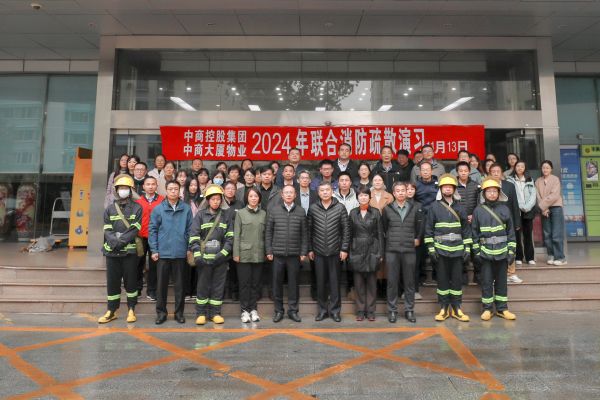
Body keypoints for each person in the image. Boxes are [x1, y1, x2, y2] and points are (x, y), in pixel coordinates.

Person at [424, 174, 471, 323]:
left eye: (450, 187)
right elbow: (428, 229)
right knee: (442, 281)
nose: (448, 189)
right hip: (440, 250)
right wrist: (431, 249)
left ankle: (456, 308)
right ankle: (444, 308)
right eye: (445, 187)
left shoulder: (460, 207)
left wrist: (467, 248)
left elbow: (466, 230)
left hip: (457, 250)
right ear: (441, 189)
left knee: (457, 280)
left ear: (454, 189)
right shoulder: (434, 207)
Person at [98, 174, 143, 324]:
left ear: (131, 190)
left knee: (131, 282)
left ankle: (131, 309)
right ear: (116, 190)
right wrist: (114, 242)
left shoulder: (137, 208)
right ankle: (111, 310)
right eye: (121, 188)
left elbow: (134, 229)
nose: (123, 190)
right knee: (112, 282)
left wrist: (120, 242)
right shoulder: (110, 209)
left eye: (126, 188)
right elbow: (107, 229)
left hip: (129, 252)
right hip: (112, 252)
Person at [472, 177, 517, 321]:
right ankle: (487, 309)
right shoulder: (478, 210)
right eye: (489, 191)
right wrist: (476, 252)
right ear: (484, 193)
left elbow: (511, 232)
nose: (492, 194)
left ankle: (502, 309)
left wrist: (511, 251)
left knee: (502, 283)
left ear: (499, 193)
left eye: (494, 191)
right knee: (486, 282)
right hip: (485, 254)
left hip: (502, 253)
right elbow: (474, 233)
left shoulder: (505, 209)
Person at [149, 180, 193, 325]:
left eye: (176, 189)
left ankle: (179, 313)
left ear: (180, 191)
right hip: (163, 253)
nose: (173, 191)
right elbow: (152, 230)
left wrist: (188, 248)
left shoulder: (186, 209)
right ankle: (161, 313)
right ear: (166, 191)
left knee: (180, 286)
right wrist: (154, 249)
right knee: (161, 286)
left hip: (180, 252)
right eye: (170, 189)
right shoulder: (158, 209)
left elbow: (190, 230)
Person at [190, 184, 234, 325]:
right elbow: (194, 236)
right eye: (213, 199)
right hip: (203, 260)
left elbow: (230, 238)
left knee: (218, 287)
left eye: (218, 199)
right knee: (202, 287)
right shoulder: (200, 215)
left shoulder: (226, 216)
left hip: (220, 260)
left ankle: (215, 313)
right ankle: (201, 313)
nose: (216, 202)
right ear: (208, 200)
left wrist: (222, 254)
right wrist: (197, 255)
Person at [308, 182, 351, 322]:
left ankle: (335, 311)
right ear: (318, 193)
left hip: (335, 251)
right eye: (322, 190)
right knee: (320, 283)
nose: (325, 192)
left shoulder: (340, 207)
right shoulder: (313, 208)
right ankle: (322, 311)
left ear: (332, 191)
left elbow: (346, 230)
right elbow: (309, 230)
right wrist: (310, 248)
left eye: (327, 190)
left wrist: (344, 248)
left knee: (334, 283)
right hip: (318, 252)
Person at [382, 182, 424, 323]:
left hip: (409, 250)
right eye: (398, 191)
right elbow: (384, 228)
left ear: (407, 192)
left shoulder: (415, 208)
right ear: (393, 193)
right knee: (392, 282)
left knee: (409, 282)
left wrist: (417, 238)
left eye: (403, 190)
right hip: (392, 250)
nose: (400, 193)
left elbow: (420, 225)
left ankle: (409, 310)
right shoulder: (387, 209)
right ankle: (392, 311)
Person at [266, 185, 308, 323]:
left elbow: (304, 233)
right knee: (276, 284)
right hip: (277, 254)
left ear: (295, 195)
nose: (289, 195)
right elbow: (268, 232)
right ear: (282, 195)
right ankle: (278, 311)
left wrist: (303, 251)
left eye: (291, 192)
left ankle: (293, 311)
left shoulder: (301, 211)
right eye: (286, 192)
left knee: (293, 284)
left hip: (294, 254)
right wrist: (269, 250)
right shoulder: (274, 210)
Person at [349, 186, 384, 322]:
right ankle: (360, 310)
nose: (363, 197)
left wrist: (380, 252)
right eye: (360, 195)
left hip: (372, 249)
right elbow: (349, 234)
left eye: (365, 195)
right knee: (358, 283)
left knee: (371, 283)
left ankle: (370, 310)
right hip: (357, 249)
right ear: (357, 198)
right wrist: (349, 251)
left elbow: (380, 234)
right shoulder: (353, 213)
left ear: (370, 197)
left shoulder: (376, 212)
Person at [234, 188, 267, 323]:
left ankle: (253, 309)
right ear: (247, 198)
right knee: (244, 284)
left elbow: (266, 235)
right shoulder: (240, 213)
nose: (253, 198)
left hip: (259, 254)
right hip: (244, 255)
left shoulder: (264, 214)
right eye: (251, 196)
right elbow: (236, 235)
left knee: (255, 284)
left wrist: (267, 252)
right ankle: (244, 311)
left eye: (256, 196)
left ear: (259, 199)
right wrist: (236, 253)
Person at [488, 163, 522, 283]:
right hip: (492, 222)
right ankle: (496, 275)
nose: (496, 173)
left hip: (508, 221)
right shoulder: (486, 186)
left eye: (498, 171)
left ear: (501, 173)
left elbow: (515, 204)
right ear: (489, 173)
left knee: (510, 246)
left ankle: (511, 273)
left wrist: (517, 222)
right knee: (495, 247)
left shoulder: (509, 185)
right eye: (493, 171)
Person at [136, 176, 164, 302]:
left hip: (156, 238)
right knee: (138, 263)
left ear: (156, 186)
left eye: (153, 184)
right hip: (141, 237)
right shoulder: (138, 202)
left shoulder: (163, 201)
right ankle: (136, 289)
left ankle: (152, 291)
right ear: (143, 186)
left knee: (154, 265)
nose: (151, 186)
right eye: (148, 184)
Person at [535, 160, 566, 265]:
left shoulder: (555, 179)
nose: (545, 169)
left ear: (551, 169)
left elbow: (555, 195)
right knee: (547, 233)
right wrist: (544, 209)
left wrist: (544, 206)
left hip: (556, 207)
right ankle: (551, 255)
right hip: (544, 209)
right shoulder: (538, 181)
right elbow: (537, 196)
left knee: (557, 233)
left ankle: (560, 257)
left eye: (547, 168)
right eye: (543, 167)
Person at [507, 160, 537, 265]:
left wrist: (527, 207)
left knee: (528, 235)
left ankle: (530, 257)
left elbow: (533, 196)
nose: (520, 168)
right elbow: (511, 196)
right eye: (518, 166)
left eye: (522, 166)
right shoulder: (510, 180)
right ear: (515, 168)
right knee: (517, 235)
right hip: (516, 210)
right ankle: (518, 257)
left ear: (525, 168)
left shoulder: (530, 180)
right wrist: (519, 206)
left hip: (528, 210)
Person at [369, 173, 394, 298]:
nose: (377, 182)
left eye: (380, 180)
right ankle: (376, 285)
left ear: (383, 182)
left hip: (386, 230)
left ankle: (384, 285)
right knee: (375, 257)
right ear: (372, 182)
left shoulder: (389, 196)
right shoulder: (368, 195)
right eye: (375, 180)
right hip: (372, 231)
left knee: (385, 259)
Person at [223, 181, 243, 301]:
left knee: (235, 269)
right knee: (222, 269)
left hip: (236, 240)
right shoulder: (219, 202)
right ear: (223, 190)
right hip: (222, 241)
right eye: (228, 188)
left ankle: (235, 292)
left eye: (233, 189)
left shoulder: (240, 204)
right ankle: (223, 292)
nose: (230, 191)